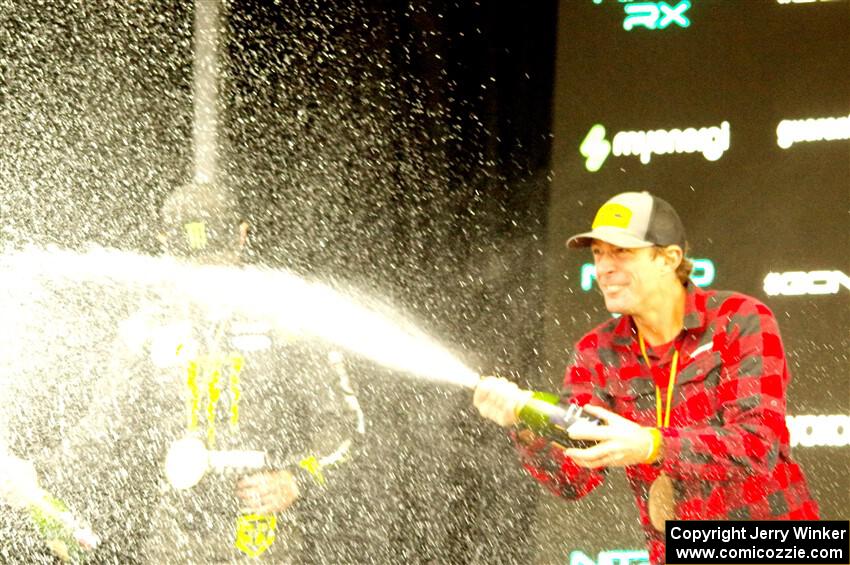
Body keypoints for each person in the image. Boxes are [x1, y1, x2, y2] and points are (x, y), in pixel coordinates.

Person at [473, 191, 819, 564]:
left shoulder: (740, 318)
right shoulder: (596, 350)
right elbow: (573, 479)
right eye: (597, 254)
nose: (603, 268)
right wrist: (524, 421)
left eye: (621, 252)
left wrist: (651, 445)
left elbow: (756, 445)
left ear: (668, 259)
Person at [68, 182, 365, 563]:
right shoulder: (146, 327)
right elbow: (102, 431)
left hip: (264, 539)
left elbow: (346, 424)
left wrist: (296, 478)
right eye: (191, 264)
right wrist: (33, 471)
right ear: (164, 243)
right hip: (174, 541)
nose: (204, 275)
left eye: (215, 260)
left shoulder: (287, 319)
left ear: (242, 236)